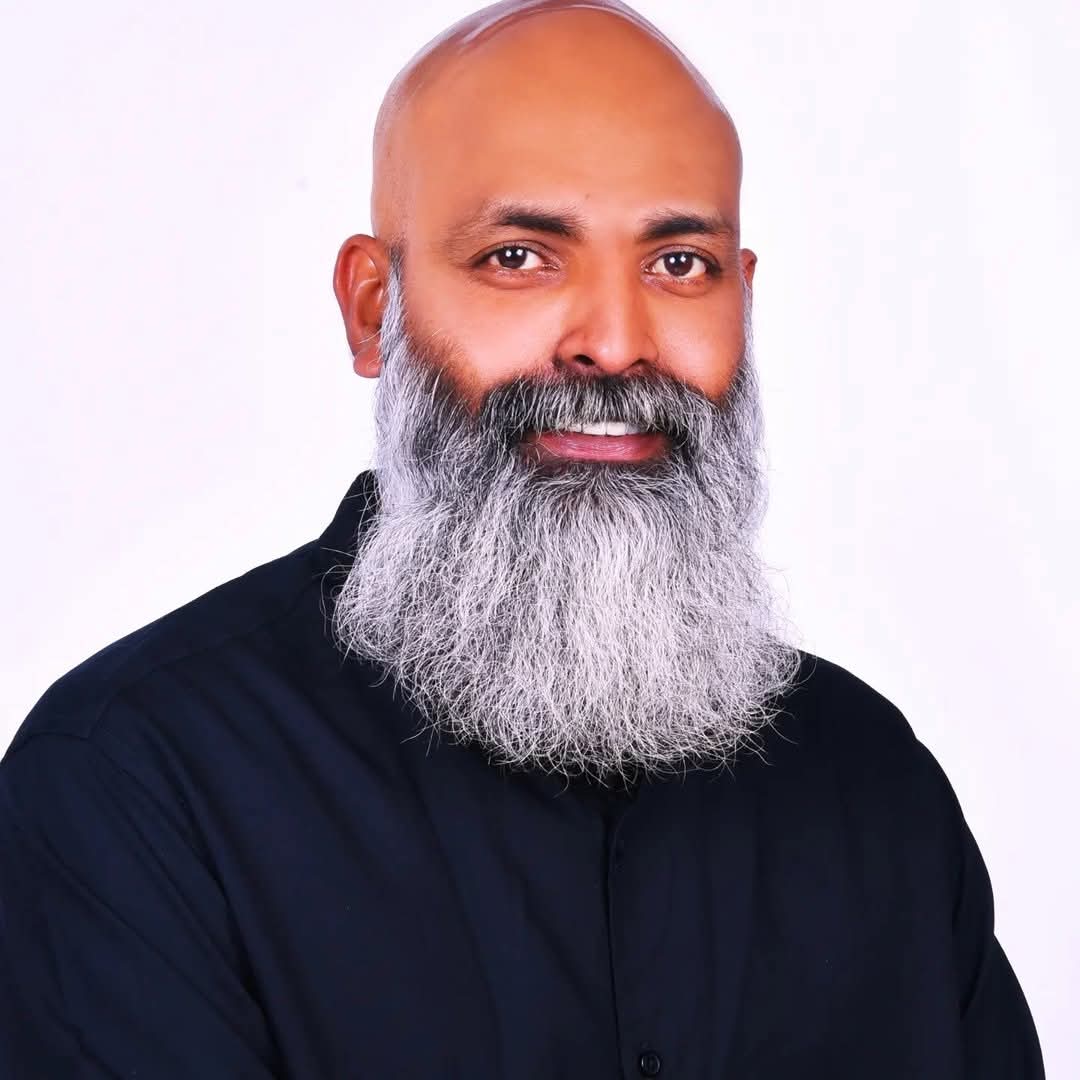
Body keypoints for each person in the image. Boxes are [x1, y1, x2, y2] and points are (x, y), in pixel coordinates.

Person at [0, 1, 1044, 1076]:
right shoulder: (137, 787)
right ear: (373, 307)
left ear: (743, 297)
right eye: (519, 257)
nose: (615, 343)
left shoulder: (871, 785)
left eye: (680, 264)